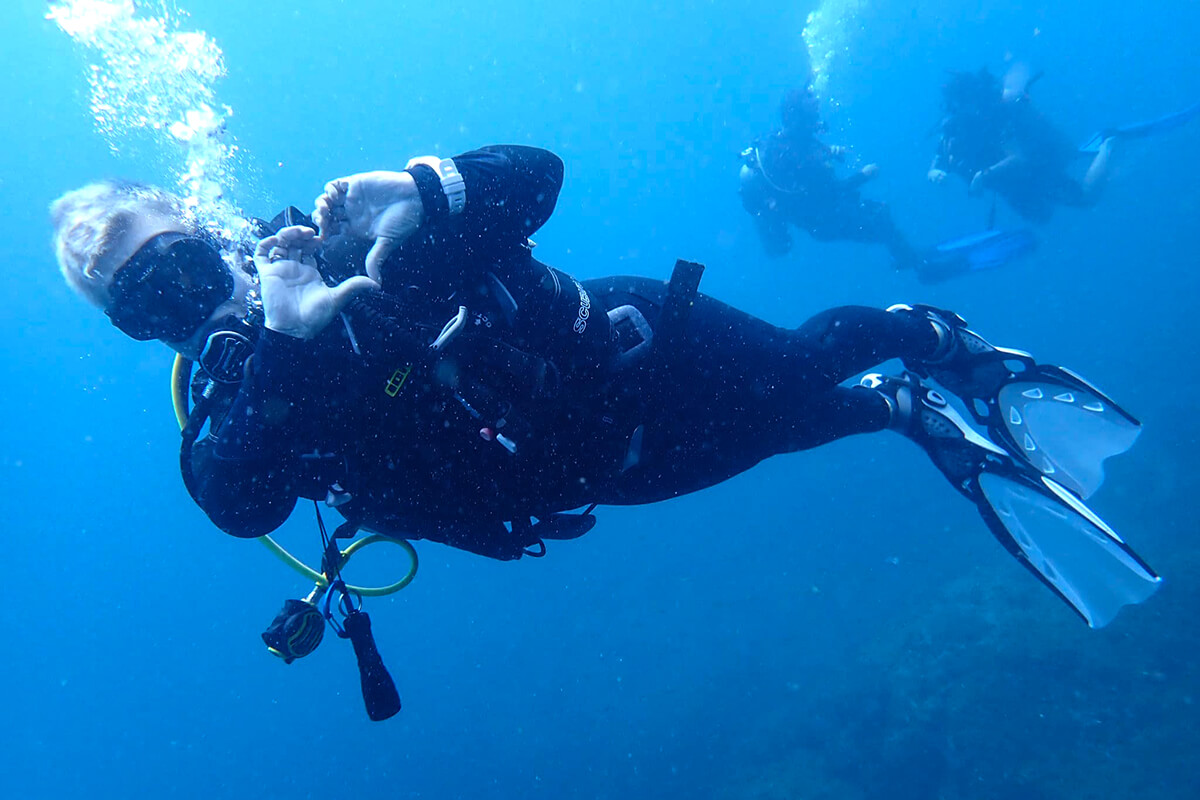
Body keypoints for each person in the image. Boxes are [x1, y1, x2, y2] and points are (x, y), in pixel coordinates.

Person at [52, 145, 1159, 638]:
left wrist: (425, 192)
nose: (185, 305)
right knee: (780, 432)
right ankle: (898, 409)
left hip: (637, 357)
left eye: (182, 265)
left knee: (801, 364)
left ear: (205, 228)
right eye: (142, 304)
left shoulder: (345, 247)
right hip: (592, 477)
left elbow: (539, 178)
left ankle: (929, 335)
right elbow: (232, 501)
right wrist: (286, 352)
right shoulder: (237, 394)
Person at [740, 87, 922, 268]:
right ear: (797, 111)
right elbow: (830, 190)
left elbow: (805, 155)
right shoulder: (796, 152)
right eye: (809, 97)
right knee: (881, 218)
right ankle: (916, 265)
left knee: (879, 214)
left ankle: (907, 259)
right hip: (823, 221)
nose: (817, 100)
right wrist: (864, 175)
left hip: (819, 214)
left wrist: (828, 151)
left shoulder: (786, 139)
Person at [928, 67, 1115, 225]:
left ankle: (1107, 143)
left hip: (1033, 169)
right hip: (1011, 183)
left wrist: (983, 175)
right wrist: (934, 174)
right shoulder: (954, 126)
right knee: (1042, 217)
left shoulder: (996, 119)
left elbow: (1017, 157)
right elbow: (938, 159)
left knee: (1086, 197)